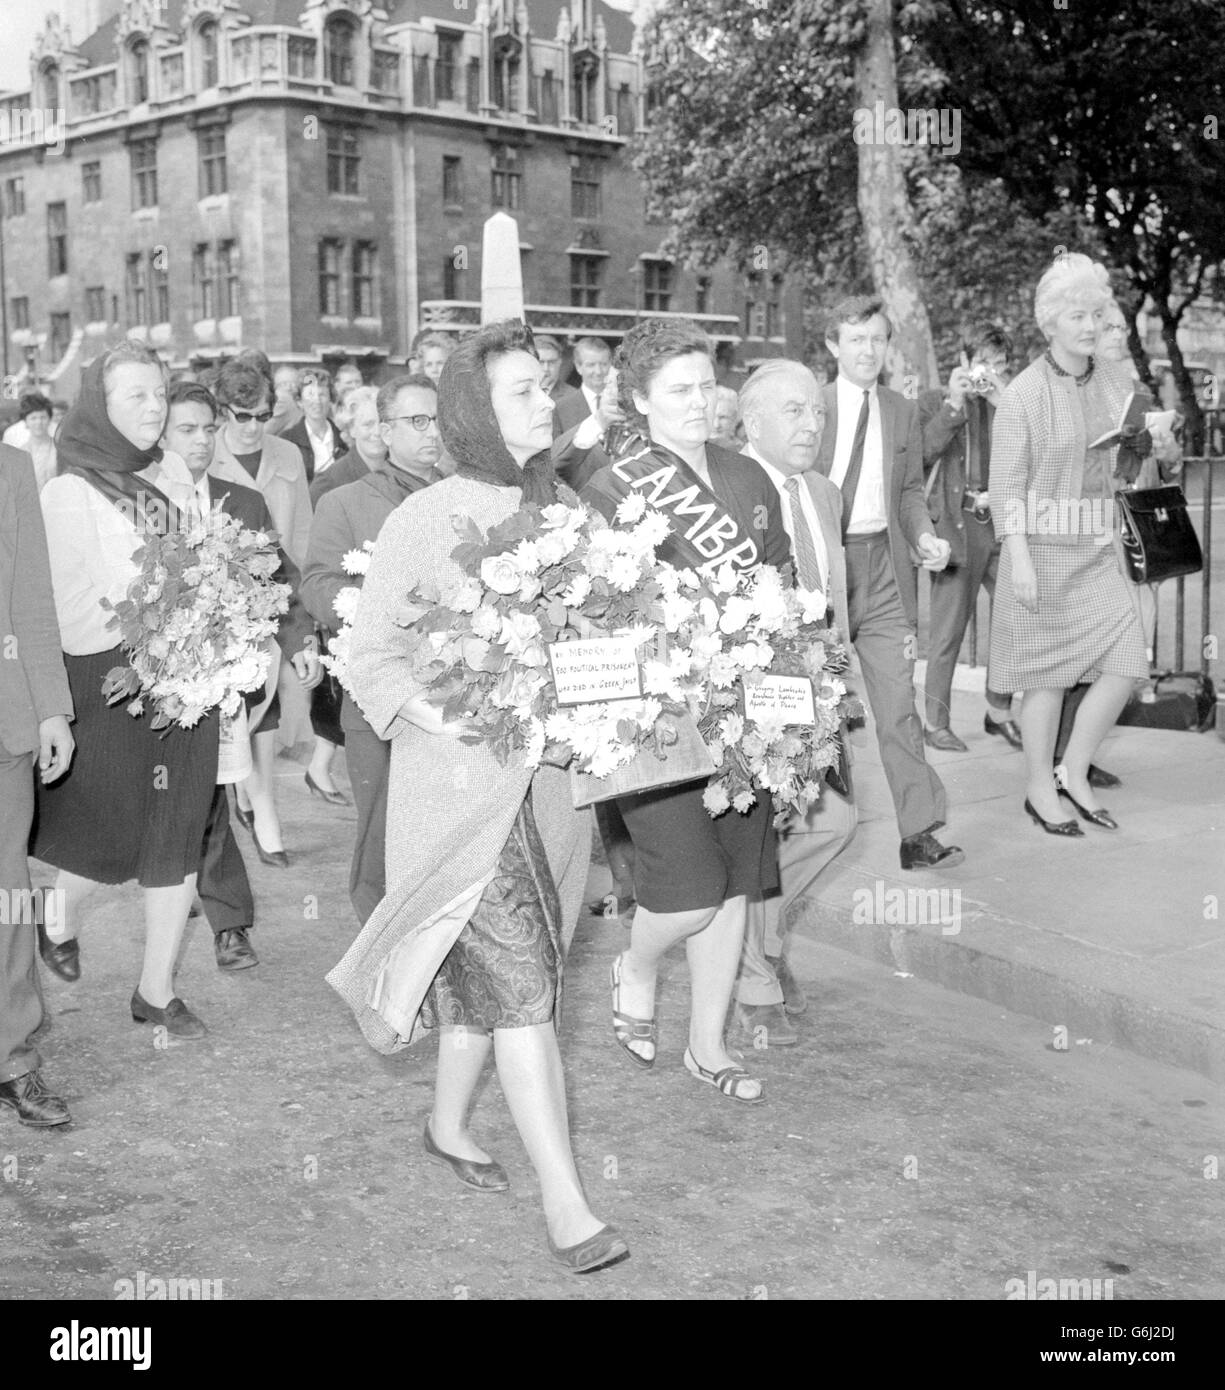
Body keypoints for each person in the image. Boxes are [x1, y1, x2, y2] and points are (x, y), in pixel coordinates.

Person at [329, 321, 625, 1275]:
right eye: (523, 393)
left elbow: (599, 644)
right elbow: (368, 654)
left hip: (550, 794)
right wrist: (449, 716)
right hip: (463, 799)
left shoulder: (565, 512)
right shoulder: (428, 515)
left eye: (547, 388)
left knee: (486, 982)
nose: (547, 403)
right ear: (474, 412)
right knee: (525, 989)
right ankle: (567, 1201)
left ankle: (446, 1122)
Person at [581, 317, 792, 1105]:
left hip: (743, 713)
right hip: (658, 721)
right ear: (638, 400)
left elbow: (780, 578)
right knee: (691, 888)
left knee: (735, 880)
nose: (701, 403)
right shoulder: (610, 486)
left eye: (708, 385)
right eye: (680, 391)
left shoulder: (747, 477)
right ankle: (634, 964)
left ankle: (707, 1046)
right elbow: (596, 607)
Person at [31, 341, 218, 1038]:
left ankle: (156, 990)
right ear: (99, 406)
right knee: (109, 836)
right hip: (108, 682)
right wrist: (145, 608)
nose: (154, 408)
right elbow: (54, 609)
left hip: (186, 678)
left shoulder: (167, 478)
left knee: (176, 833)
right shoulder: (68, 491)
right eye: (135, 395)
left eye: (160, 394)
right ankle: (61, 915)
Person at [988, 253, 1151, 836]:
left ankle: (1073, 770)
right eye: (1077, 315)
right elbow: (1005, 487)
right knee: (1047, 677)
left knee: (1129, 661)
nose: (1089, 325)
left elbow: (1122, 466)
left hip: (1097, 547)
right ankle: (1039, 788)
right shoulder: (1024, 394)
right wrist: (1021, 559)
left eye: (1097, 313)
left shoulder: (1114, 381)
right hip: (1042, 552)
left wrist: (1143, 441)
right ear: (1049, 322)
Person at [163, 381, 321, 970]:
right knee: (153, 806)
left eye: (208, 428)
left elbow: (277, 581)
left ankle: (230, 923)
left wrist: (300, 638)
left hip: (221, 683)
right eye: (187, 429)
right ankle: (72, 911)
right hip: (151, 682)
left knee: (208, 799)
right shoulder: (137, 503)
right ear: (160, 435)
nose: (202, 441)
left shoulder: (243, 501)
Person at [732, 360, 857, 1045]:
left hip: (812, 688)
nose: (811, 423)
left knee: (831, 823)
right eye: (793, 411)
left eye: (816, 410)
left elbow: (833, 598)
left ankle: (767, 949)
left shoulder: (824, 493)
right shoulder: (726, 488)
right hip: (747, 690)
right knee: (756, 838)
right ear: (751, 422)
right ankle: (753, 981)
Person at [816, 296, 962, 871]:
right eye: (856, 340)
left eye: (876, 339)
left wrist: (924, 536)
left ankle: (918, 830)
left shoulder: (900, 410)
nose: (868, 351)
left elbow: (906, 493)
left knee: (899, 705)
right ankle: (800, 830)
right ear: (833, 347)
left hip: (883, 570)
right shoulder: (815, 406)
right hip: (825, 568)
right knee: (814, 708)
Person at [301, 375, 444, 926]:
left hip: (454, 691)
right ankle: (380, 945)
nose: (431, 433)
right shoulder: (345, 501)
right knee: (382, 829)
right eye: (416, 421)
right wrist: (383, 602)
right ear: (384, 431)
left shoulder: (461, 493)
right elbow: (315, 584)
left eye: (437, 420)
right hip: (378, 698)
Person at [207, 359, 316, 862]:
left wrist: (304, 607)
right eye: (242, 416)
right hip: (221, 601)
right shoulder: (199, 455)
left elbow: (304, 536)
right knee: (235, 705)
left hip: (278, 592)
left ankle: (261, 802)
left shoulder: (289, 453)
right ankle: (245, 795)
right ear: (221, 410)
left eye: (263, 415)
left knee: (270, 704)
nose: (254, 427)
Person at [0, 445, 75, 1125]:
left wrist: (52, 705)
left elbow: (32, 595)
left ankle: (14, 1053)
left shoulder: (13, 466)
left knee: (10, 896)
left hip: (6, 719)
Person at [918, 324, 1022, 752]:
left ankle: (998, 709)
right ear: (963, 362)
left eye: (1001, 365)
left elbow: (1034, 453)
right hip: (956, 528)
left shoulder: (1012, 403)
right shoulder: (933, 401)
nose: (991, 373)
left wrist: (1007, 403)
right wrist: (954, 401)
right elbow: (923, 454)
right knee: (947, 631)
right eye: (984, 364)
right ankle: (936, 723)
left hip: (1000, 525)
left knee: (1017, 619)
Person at [552, 337, 625, 489]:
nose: (598, 371)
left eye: (604, 364)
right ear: (578, 367)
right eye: (591, 365)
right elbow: (554, 459)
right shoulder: (559, 408)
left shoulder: (624, 406)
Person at [310, 385, 385, 507]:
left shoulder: (401, 473)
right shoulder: (328, 483)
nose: (377, 432)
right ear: (351, 429)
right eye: (368, 424)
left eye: (382, 423)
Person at [283, 368, 347, 484]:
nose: (317, 400)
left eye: (322, 395)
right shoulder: (287, 440)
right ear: (299, 401)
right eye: (310, 394)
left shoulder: (344, 438)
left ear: (330, 399)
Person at [13, 393, 58, 491]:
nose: (39, 422)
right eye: (33, 418)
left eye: (43, 417)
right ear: (25, 422)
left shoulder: (59, 449)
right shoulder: (20, 454)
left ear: (49, 419)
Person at [266, 365, 303, 438]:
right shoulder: (286, 400)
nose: (289, 387)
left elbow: (263, 432)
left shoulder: (283, 400)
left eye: (293, 383)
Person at [535, 334, 568, 400]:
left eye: (551, 362)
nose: (546, 368)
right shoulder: (515, 392)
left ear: (560, 362)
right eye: (541, 362)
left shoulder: (573, 396)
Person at [709, 384, 740, 448]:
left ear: (734, 419)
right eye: (711, 416)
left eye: (723, 417)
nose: (716, 425)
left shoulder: (743, 452)